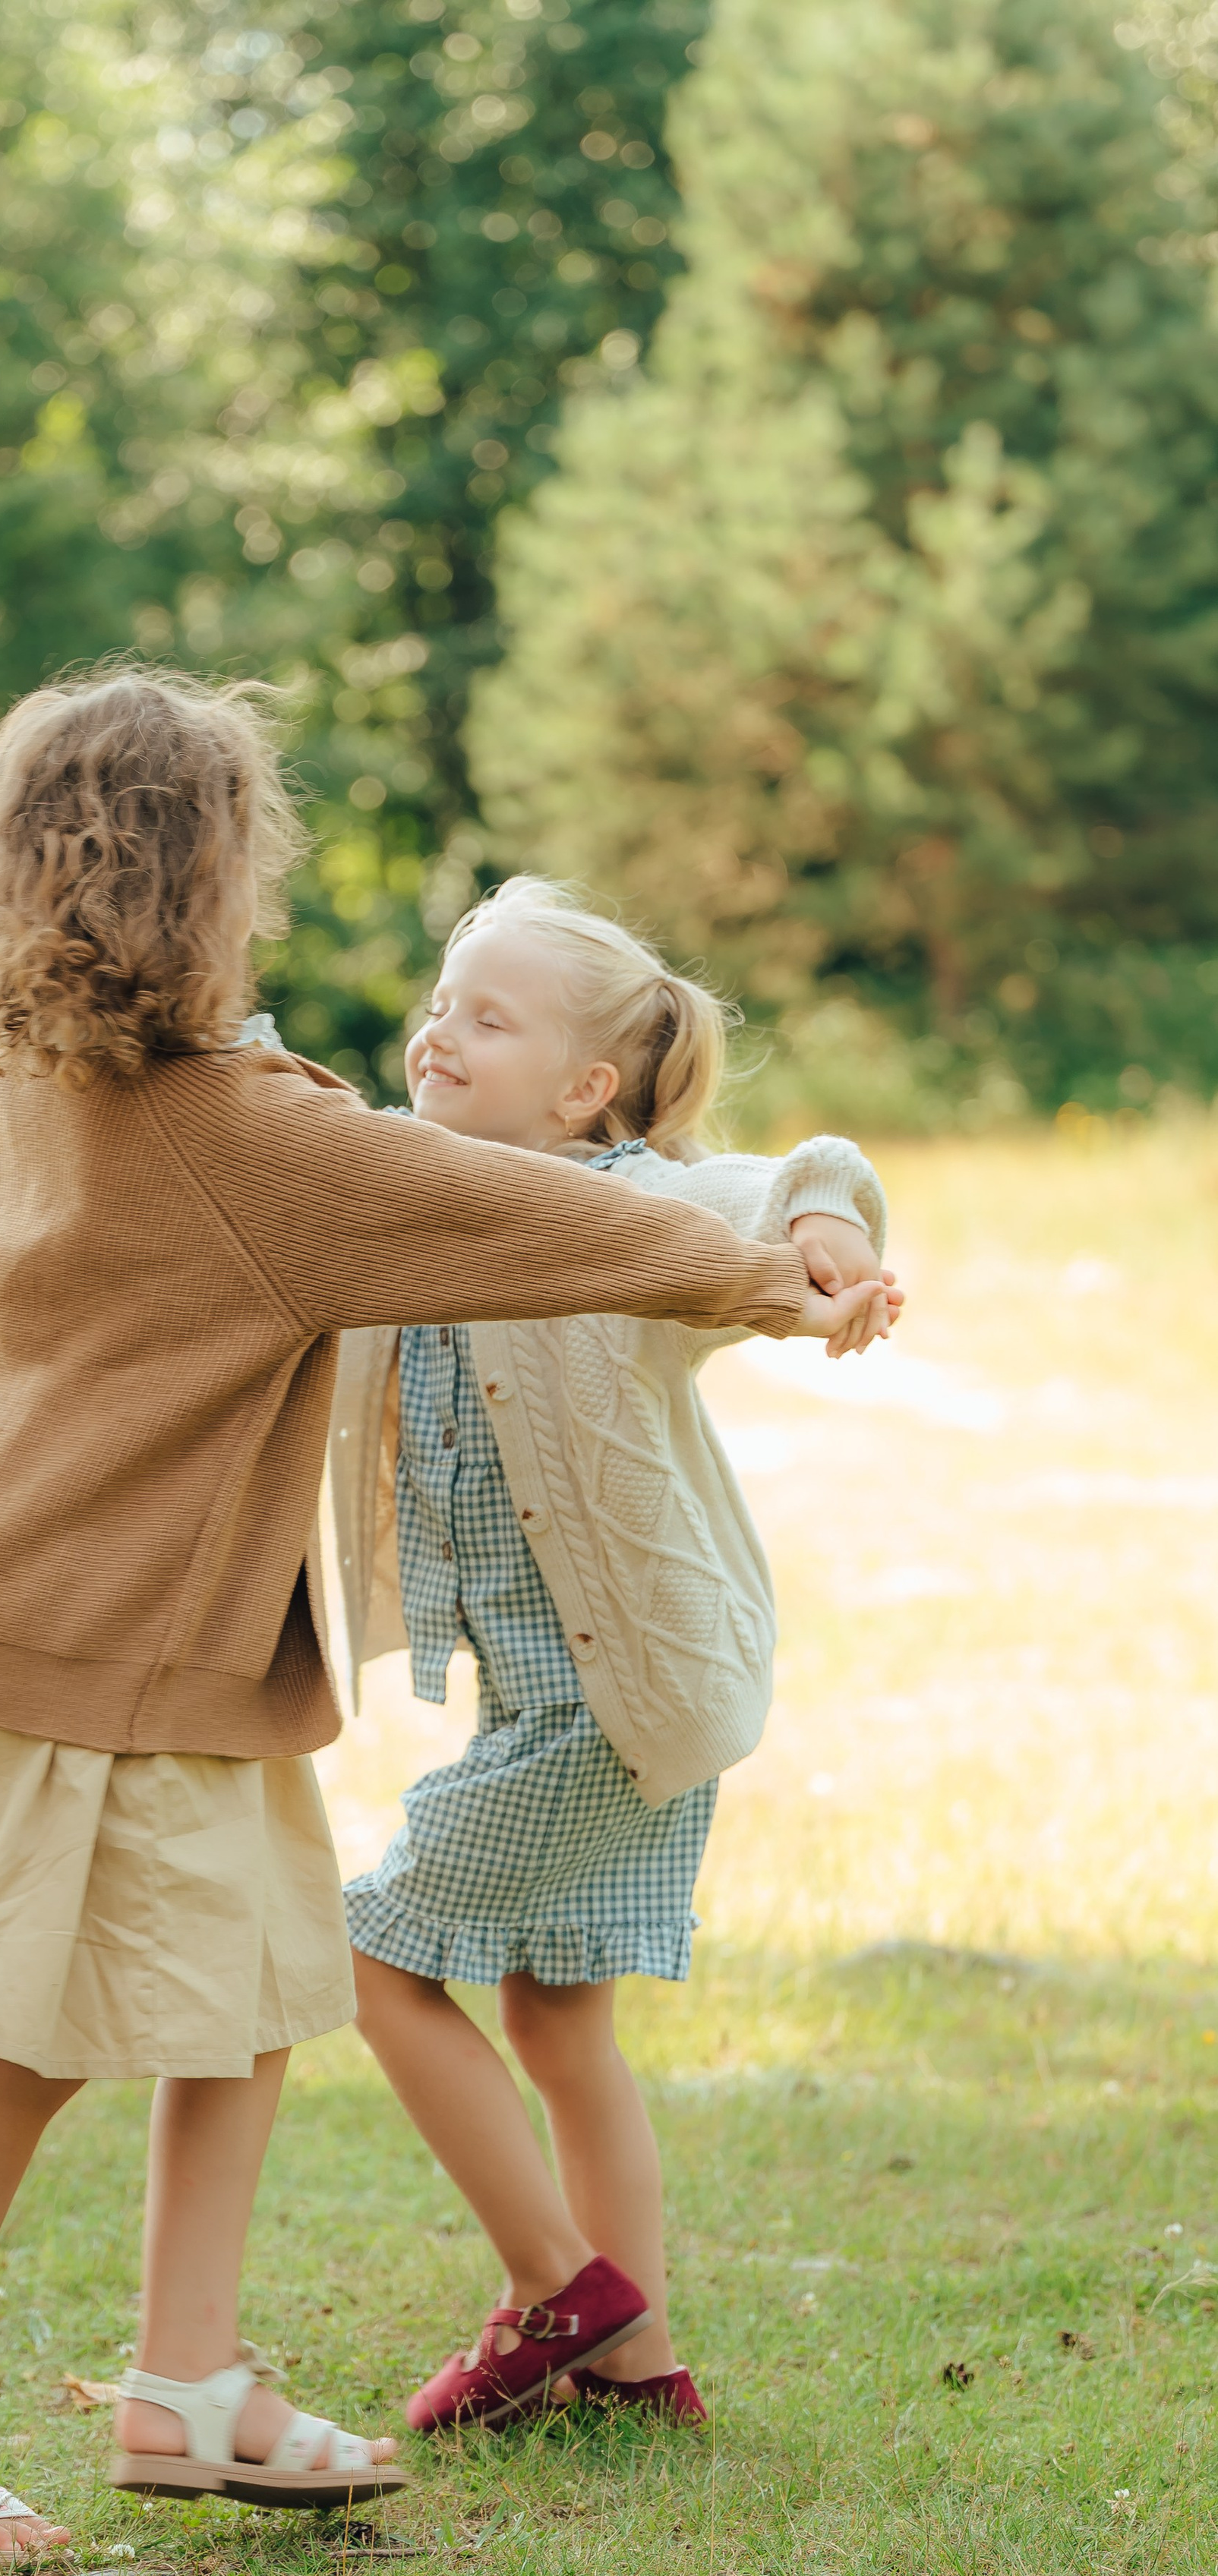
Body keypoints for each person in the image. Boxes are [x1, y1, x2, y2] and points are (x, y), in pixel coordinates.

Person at [0, 670, 888, 2568]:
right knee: (27, 2047)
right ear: (217, 888)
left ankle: (188, 2384)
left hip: (72, 1622)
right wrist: (761, 1277)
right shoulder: (249, 1137)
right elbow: (535, 1218)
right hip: (97, 1643)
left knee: (245, 2003)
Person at [331, 876, 900, 2432]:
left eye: (488, 1019)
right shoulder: (410, 1193)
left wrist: (827, 1236)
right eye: (441, 1003)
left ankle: (558, 2293)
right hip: (576, 1695)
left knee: (363, 1955)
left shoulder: (626, 1204)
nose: (441, 1033)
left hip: (621, 1693)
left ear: (586, 1090)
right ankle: (637, 2378)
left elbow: (796, 1175)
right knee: (554, 2015)